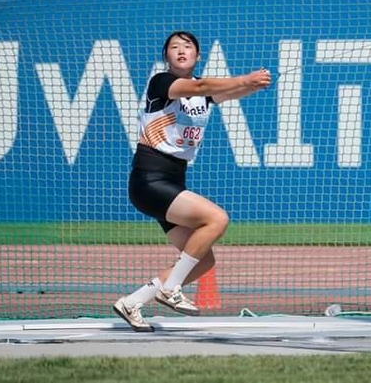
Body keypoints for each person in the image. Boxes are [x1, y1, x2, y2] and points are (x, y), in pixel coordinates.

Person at [113, 31, 272, 331]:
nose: (181, 50)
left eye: (188, 47)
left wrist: (251, 85)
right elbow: (202, 85)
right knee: (217, 219)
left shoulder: (202, 97)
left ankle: (132, 302)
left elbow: (221, 93)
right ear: (167, 57)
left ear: (197, 56)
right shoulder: (162, 82)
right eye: (174, 47)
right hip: (149, 179)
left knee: (203, 260)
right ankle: (170, 289)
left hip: (172, 181)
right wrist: (245, 78)